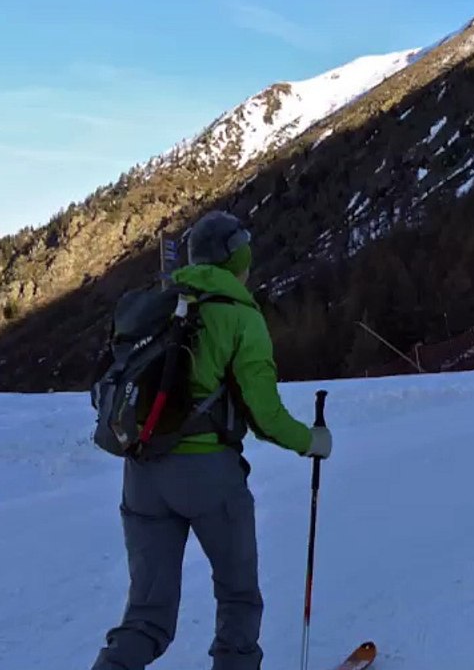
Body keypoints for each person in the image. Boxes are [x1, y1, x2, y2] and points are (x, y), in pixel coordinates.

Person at [92, 210, 333, 670]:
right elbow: (265, 416)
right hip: (208, 477)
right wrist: (313, 441)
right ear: (236, 259)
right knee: (238, 596)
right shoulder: (239, 316)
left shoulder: (162, 306)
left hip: (141, 473)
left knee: (146, 615)